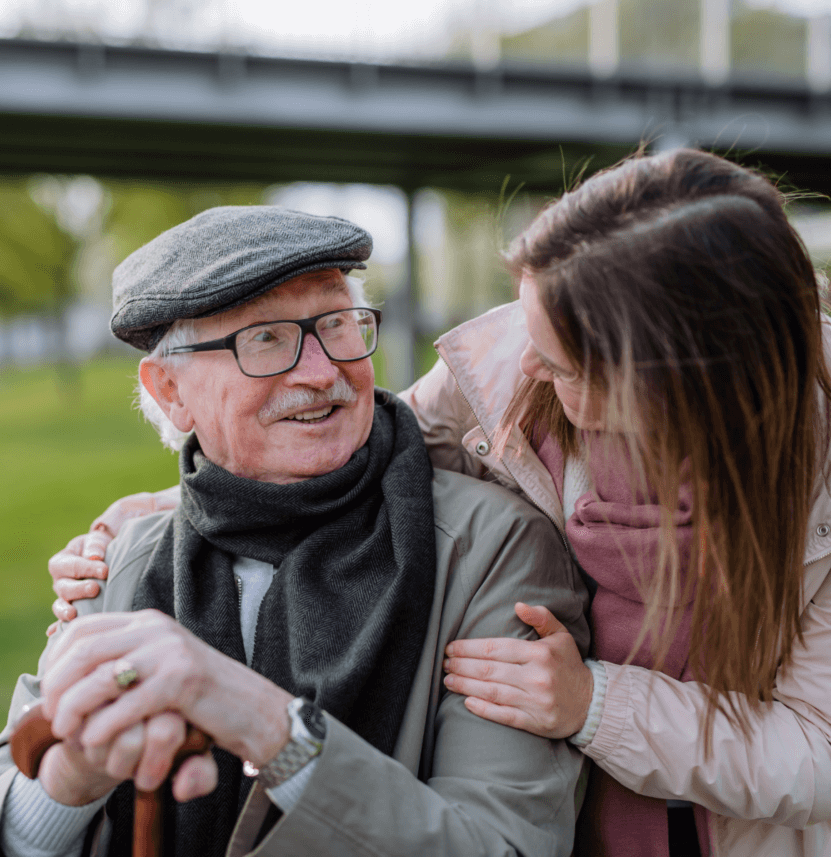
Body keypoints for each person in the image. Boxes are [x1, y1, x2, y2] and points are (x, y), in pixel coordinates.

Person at [51, 149, 831, 857]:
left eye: (559, 359)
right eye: (528, 323)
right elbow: (365, 439)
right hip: (585, 799)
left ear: (665, 385)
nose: (525, 362)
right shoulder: (511, 374)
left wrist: (595, 702)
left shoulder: (807, 476)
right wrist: (185, 509)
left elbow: (817, 749)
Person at [0, 206, 590, 857]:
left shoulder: (489, 546)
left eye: (336, 324)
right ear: (169, 391)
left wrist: (257, 718)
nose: (322, 371)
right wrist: (71, 774)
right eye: (266, 339)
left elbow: (505, 844)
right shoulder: (120, 560)